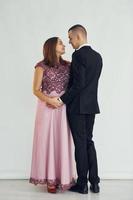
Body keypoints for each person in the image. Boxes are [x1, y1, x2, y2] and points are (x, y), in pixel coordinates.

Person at [48, 25, 103, 194]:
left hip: (77, 108)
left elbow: (78, 84)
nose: (70, 43)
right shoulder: (97, 56)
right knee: (88, 142)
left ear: (78, 36)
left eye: (71, 39)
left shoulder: (78, 55)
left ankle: (81, 185)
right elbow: (89, 84)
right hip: (91, 106)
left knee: (80, 144)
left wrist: (61, 99)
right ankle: (94, 183)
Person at [29, 37, 76, 193]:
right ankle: (49, 180)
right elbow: (35, 90)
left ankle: (63, 178)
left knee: (62, 141)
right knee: (47, 141)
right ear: (51, 47)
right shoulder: (41, 66)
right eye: (60, 42)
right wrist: (50, 100)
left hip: (63, 108)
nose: (64, 45)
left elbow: (74, 86)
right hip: (47, 108)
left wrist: (61, 101)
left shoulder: (68, 65)